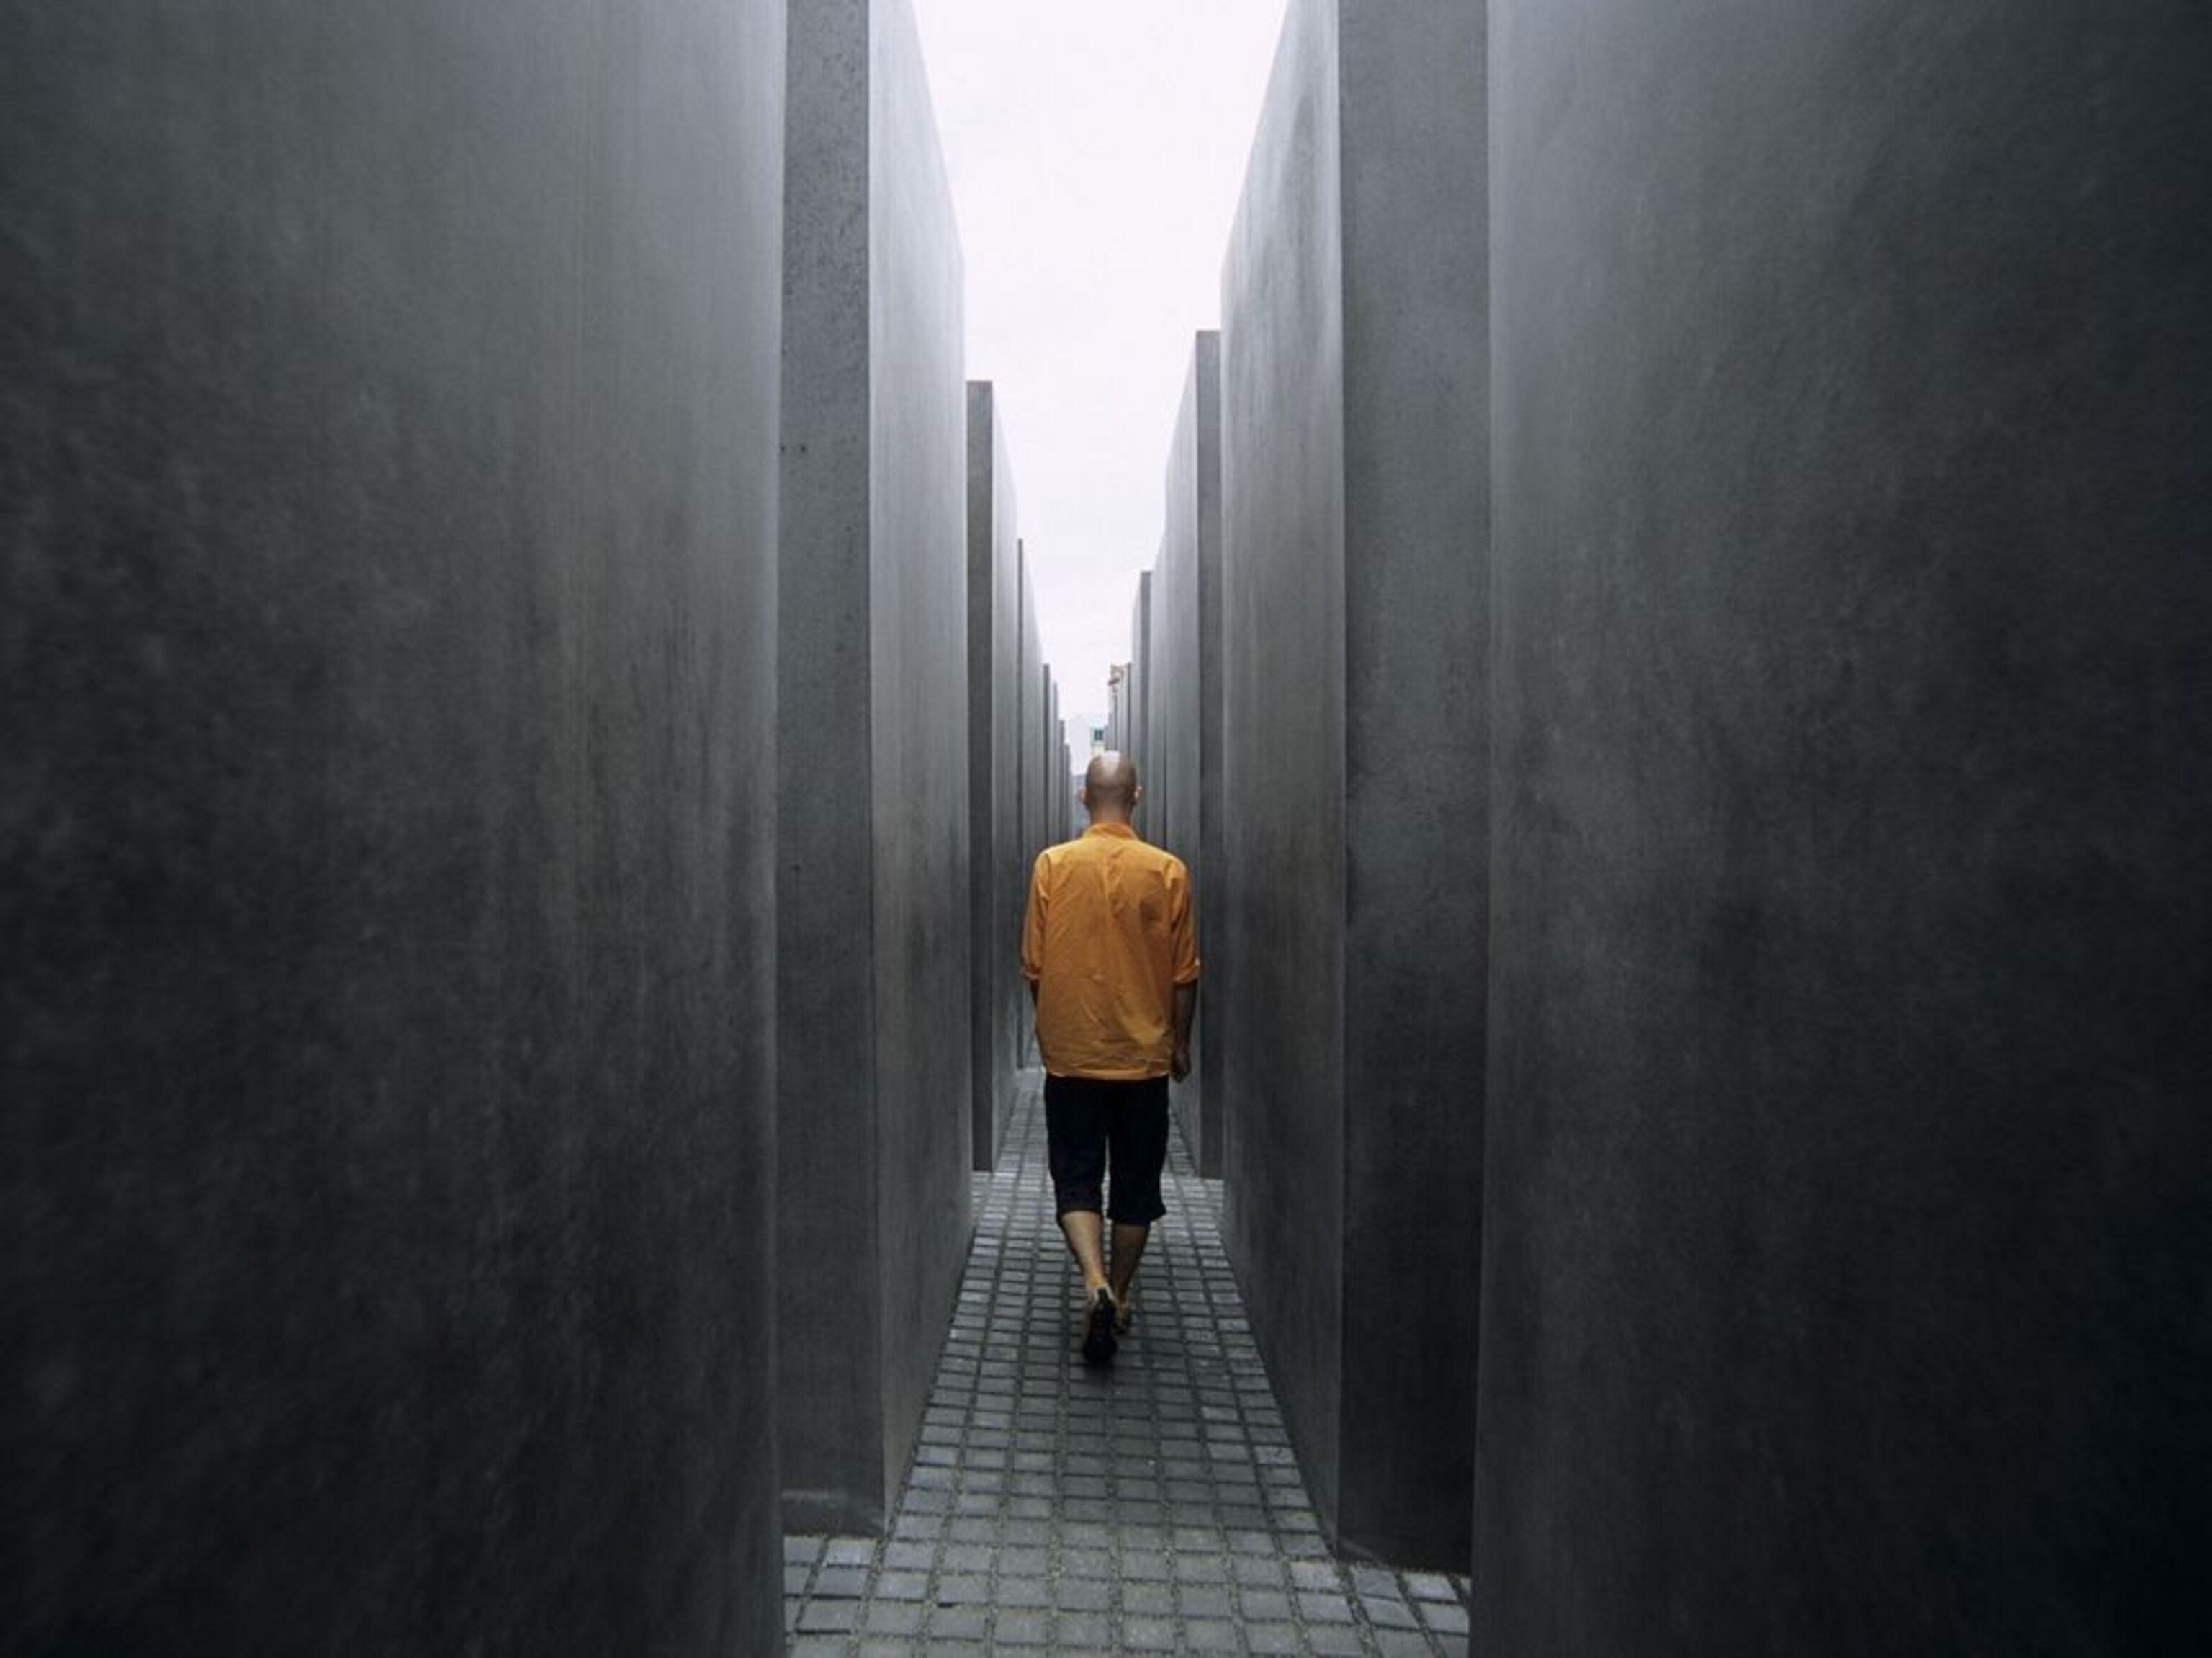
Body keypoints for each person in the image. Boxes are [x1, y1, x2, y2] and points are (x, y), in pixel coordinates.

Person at [1021, 751, 1200, 1366]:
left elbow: (1035, 967)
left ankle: (1092, 1280)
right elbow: (1184, 974)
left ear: (1082, 797)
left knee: (1075, 1176)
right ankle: (1118, 1295)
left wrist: (1052, 1026)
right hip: (1142, 1058)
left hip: (1072, 1055)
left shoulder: (1052, 866)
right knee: (1135, 1184)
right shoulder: (1168, 872)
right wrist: (1181, 1042)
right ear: (1138, 795)